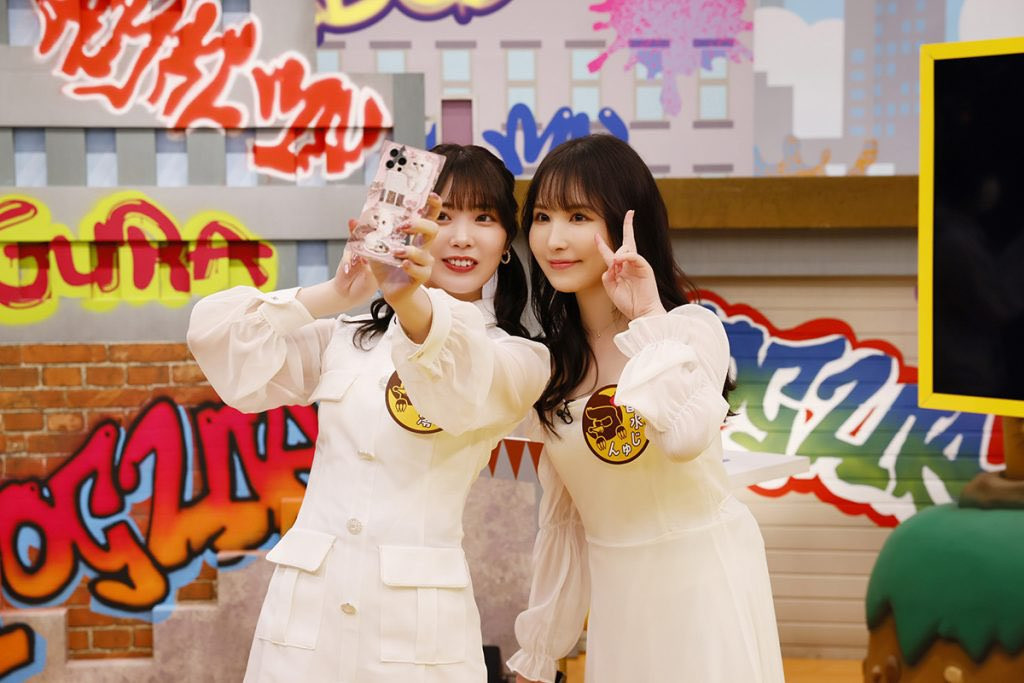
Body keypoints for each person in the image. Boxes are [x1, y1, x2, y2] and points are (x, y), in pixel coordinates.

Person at [187, 144, 549, 683]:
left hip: (417, 641)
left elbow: (458, 387)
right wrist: (335, 294)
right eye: (442, 215)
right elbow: (219, 340)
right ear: (411, 224)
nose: (461, 237)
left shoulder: (518, 357)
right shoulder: (347, 337)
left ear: (505, 245)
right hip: (304, 629)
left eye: (484, 218)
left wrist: (407, 296)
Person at [507, 135, 784, 683]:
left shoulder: (688, 331)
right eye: (542, 217)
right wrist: (539, 654)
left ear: (626, 222)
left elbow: (685, 438)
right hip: (620, 602)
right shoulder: (550, 369)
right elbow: (564, 525)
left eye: (578, 216)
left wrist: (647, 316)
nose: (555, 239)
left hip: (706, 584)